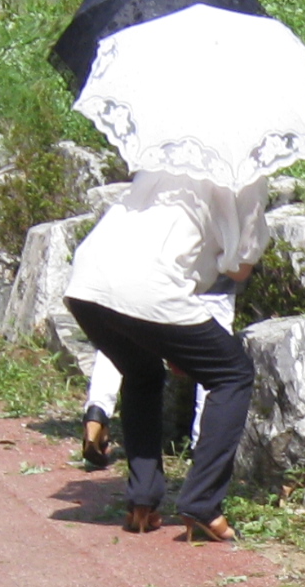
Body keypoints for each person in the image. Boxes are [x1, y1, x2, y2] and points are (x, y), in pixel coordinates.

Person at [61, 167, 261, 541]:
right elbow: (238, 269)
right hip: (151, 288)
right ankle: (202, 501)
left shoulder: (162, 158)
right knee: (233, 374)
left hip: (86, 284)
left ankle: (142, 500)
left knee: (141, 373)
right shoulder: (244, 173)